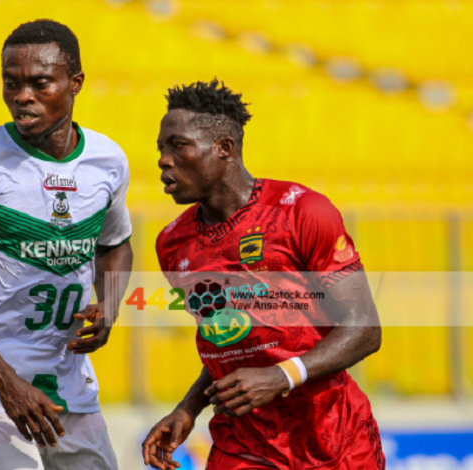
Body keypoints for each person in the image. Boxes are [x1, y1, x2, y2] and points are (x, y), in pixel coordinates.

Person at [0, 19, 133, 470]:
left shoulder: (108, 160)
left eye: (39, 83)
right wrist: (6, 382)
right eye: (11, 83)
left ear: (75, 83)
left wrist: (110, 304)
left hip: (71, 386)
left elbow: (115, 245)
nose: (22, 96)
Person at [142, 79, 385, 470]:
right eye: (161, 148)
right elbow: (231, 341)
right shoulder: (172, 244)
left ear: (224, 148)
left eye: (178, 145)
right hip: (244, 447)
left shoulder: (301, 211)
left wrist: (281, 376)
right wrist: (190, 406)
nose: (163, 159)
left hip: (334, 440)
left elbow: (364, 329)